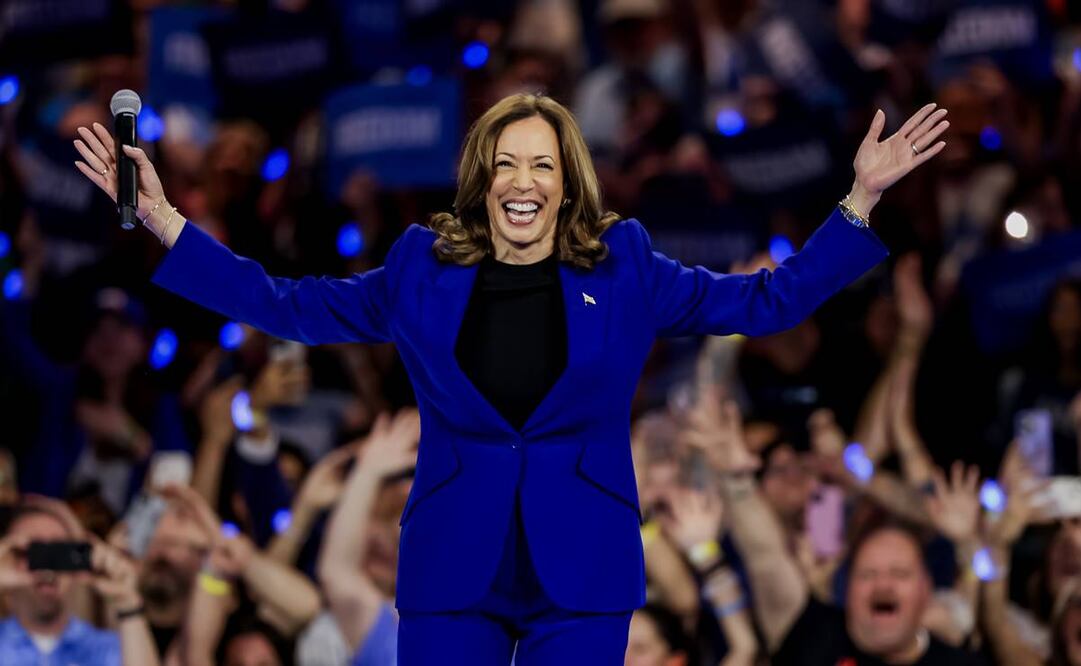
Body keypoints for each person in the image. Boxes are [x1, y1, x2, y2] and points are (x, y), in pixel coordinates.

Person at [73, 92, 948, 663]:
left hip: (584, 569)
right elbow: (284, 304)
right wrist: (166, 223)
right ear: (480, 179)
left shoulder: (628, 266)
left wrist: (858, 200)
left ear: (568, 183)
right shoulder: (419, 268)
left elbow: (767, 302)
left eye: (542, 164)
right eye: (505, 162)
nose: (522, 181)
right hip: (453, 563)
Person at [680, 386, 985, 665]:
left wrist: (971, 543)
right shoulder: (818, 636)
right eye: (868, 574)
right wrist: (736, 479)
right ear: (846, 588)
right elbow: (766, 559)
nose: (883, 585)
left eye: (899, 573)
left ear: (926, 590)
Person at [0, 500, 159, 666]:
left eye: (59, 550)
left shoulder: (105, 647)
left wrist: (127, 602)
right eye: (33, 551)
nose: (47, 564)